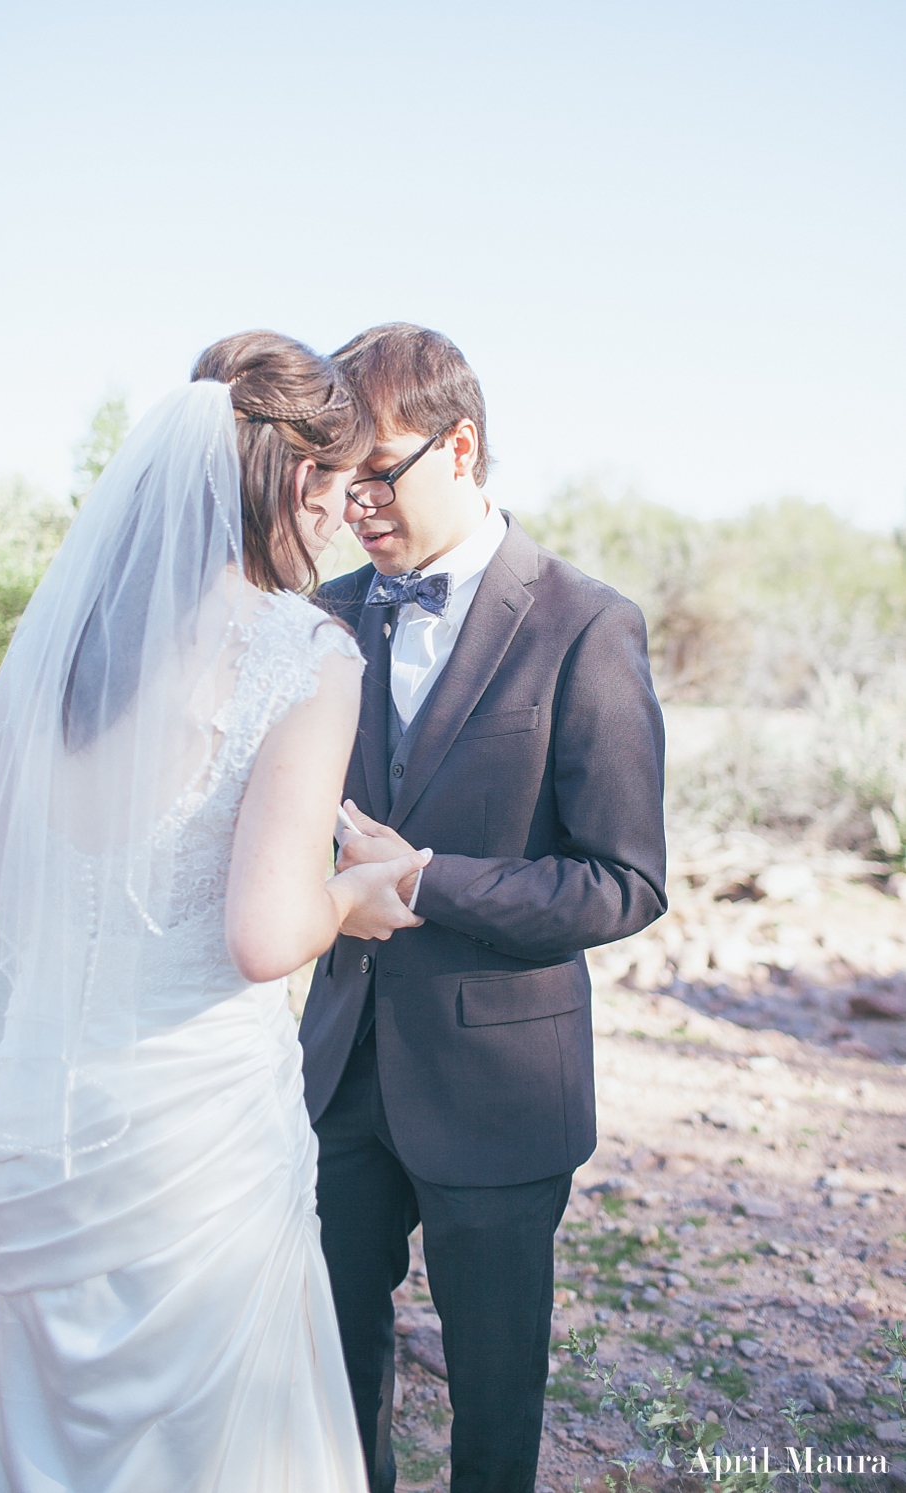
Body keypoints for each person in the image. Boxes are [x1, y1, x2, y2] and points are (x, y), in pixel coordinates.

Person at [0, 331, 432, 1493]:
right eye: (342, 485)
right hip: (191, 1131)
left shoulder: (77, 639)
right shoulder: (304, 651)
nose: (345, 516)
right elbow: (264, 935)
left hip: (51, 1115)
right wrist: (350, 895)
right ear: (295, 480)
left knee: (56, 1430)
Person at [299, 323, 668, 1493]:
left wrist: (425, 877)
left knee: (494, 1406)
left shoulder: (583, 623)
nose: (354, 505)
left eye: (377, 474)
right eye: (335, 479)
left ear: (459, 446)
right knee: (328, 1371)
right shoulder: (323, 616)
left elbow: (624, 879)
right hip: (333, 1072)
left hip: (499, 1088)